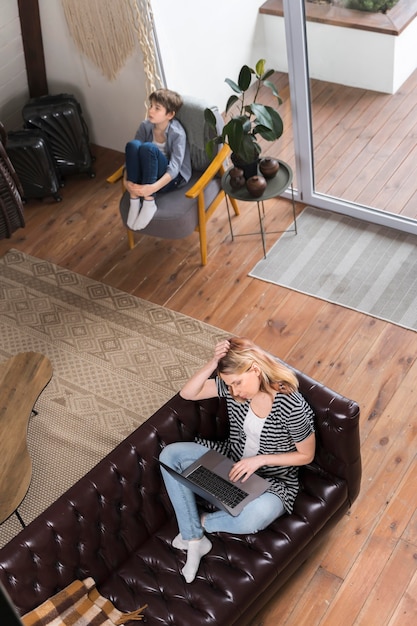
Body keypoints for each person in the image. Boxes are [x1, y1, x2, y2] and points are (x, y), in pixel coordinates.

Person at [159, 337, 316, 583]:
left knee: (258, 515)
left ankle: (198, 525)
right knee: (170, 456)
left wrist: (260, 461)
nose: (234, 391)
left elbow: (307, 455)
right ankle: (196, 540)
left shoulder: (290, 404)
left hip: (273, 481)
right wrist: (213, 363)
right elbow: (188, 393)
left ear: (255, 369)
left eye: (237, 383)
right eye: (229, 385)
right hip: (231, 461)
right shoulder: (236, 390)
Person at [124, 88, 191, 231]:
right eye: (151, 106)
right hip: (147, 174)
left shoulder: (177, 134)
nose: (151, 111)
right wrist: (127, 182)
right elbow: (133, 156)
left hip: (169, 179)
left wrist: (151, 188)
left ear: (170, 114)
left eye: (157, 108)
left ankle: (149, 202)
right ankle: (134, 199)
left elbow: (174, 168)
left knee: (148, 148)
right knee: (133, 145)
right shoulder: (145, 126)